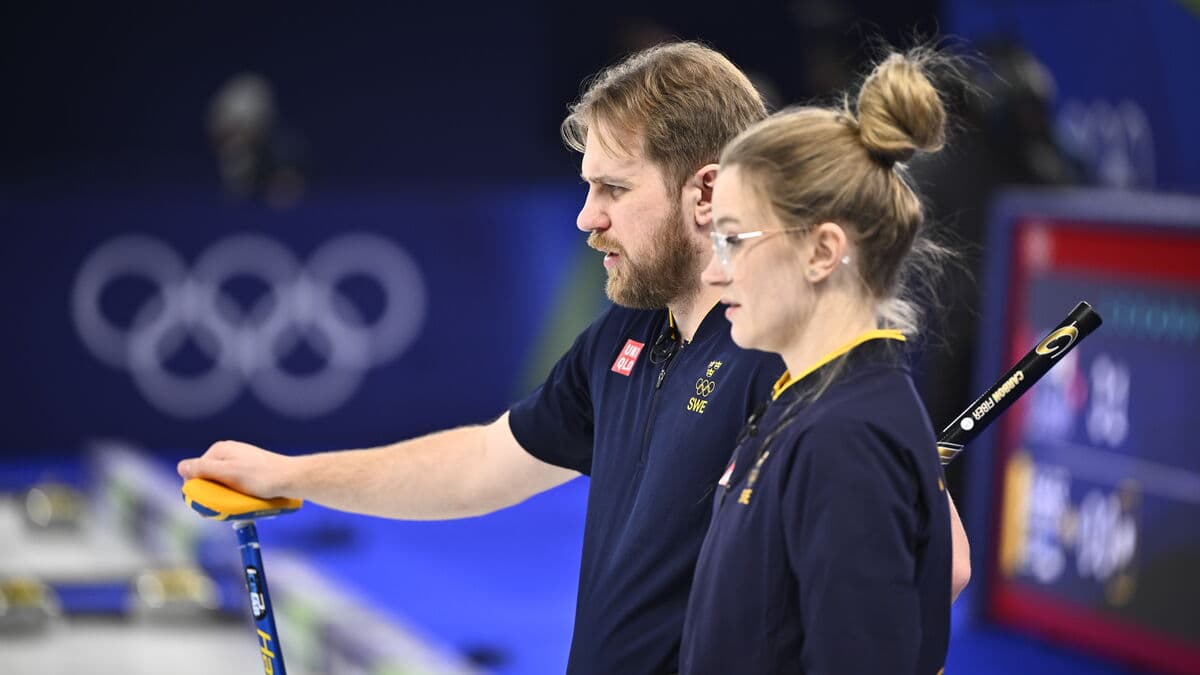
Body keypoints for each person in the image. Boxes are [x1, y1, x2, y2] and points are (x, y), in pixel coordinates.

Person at [179, 42, 968, 674]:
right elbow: (480, 464)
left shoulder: (781, 352)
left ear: (703, 192)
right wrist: (290, 474)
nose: (587, 217)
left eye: (613, 189)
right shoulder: (625, 337)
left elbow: (936, 562)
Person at [680, 49, 962, 674]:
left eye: (733, 239)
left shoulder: (845, 439)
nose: (712, 272)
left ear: (822, 251)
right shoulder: (807, 404)